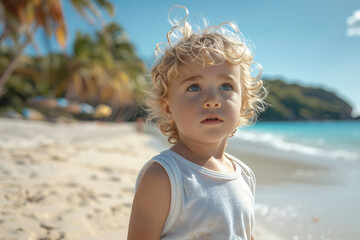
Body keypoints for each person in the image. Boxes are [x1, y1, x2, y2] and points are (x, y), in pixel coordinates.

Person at [127, 5, 266, 240]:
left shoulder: (244, 175)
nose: (212, 100)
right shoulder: (165, 176)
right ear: (168, 108)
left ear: (242, 102)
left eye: (226, 86)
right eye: (194, 87)